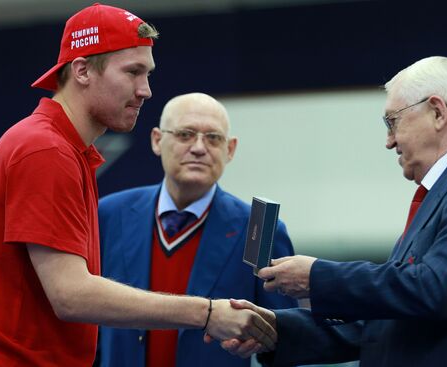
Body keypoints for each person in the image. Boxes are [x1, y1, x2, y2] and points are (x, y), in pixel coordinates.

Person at [0, 4, 276, 367]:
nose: (146, 90)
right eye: (133, 72)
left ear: (231, 148)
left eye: (147, 74)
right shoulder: (45, 150)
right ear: (82, 70)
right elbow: (71, 295)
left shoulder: (62, 150)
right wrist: (208, 312)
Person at [223, 56, 447, 366]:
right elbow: (382, 325)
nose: (389, 141)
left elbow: (432, 289)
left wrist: (317, 276)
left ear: (437, 112)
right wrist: (274, 329)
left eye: (393, 121)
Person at [95, 92, 297, 367]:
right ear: (157, 140)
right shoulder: (109, 215)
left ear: (230, 149)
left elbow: (285, 341)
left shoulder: (259, 229)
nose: (199, 148)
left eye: (213, 138)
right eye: (185, 134)